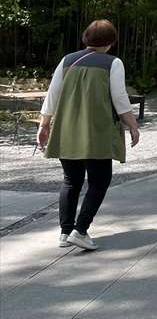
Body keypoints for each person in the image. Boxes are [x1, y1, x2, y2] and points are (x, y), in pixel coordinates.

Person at [37, 19, 141, 251]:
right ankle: (80, 230)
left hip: (67, 129)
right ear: (112, 41)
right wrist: (133, 125)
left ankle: (65, 233)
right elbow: (120, 98)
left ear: (86, 38)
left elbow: (52, 95)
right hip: (98, 131)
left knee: (71, 181)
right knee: (99, 180)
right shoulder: (113, 63)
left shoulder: (67, 60)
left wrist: (44, 125)